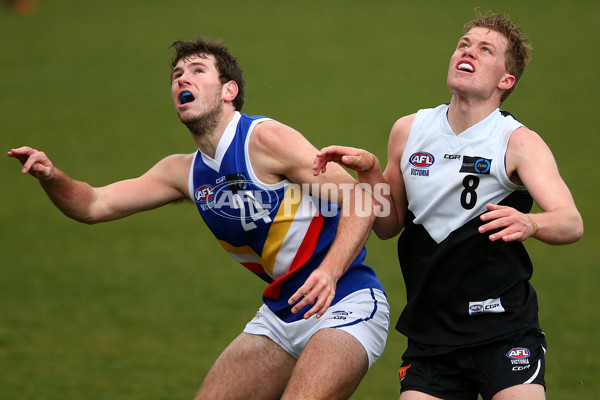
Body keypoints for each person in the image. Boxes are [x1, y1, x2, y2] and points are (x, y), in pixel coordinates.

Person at [8, 37, 390, 400]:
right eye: (176, 75)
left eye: (197, 70)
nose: (182, 79)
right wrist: (51, 176)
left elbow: (363, 197)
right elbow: (92, 205)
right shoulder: (183, 173)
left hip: (348, 302)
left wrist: (331, 271)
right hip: (282, 314)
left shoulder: (264, 139)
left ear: (229, 91)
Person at [313, 11, 583, 400]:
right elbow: (390, 226)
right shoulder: (409, 130)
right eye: (464, 44)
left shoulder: (518, 142)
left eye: (485, 49)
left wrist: (532, 223)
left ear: (505, 81)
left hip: (504, 330)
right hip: (431, 336)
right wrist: (371, 172)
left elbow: (571, 222)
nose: (467, 52)